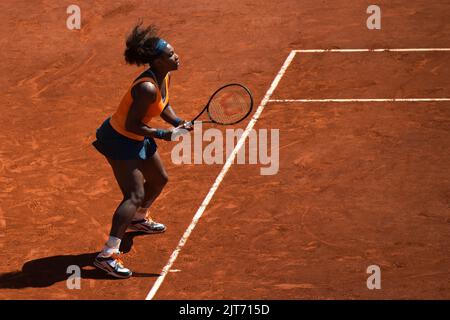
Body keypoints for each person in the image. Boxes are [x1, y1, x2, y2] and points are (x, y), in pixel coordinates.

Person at [91, 23, 191, 278]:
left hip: (135, 137)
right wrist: (163, 134)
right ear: (157, 61)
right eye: (169, 54)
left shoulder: (163, 76)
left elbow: (163, 105)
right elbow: (131, 124)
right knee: (133, 194)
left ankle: (138, 219)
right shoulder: (146, 87)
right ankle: (107, 255)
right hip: (120, 139)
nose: (175, 56)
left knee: (159, 179)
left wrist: (177, 122)